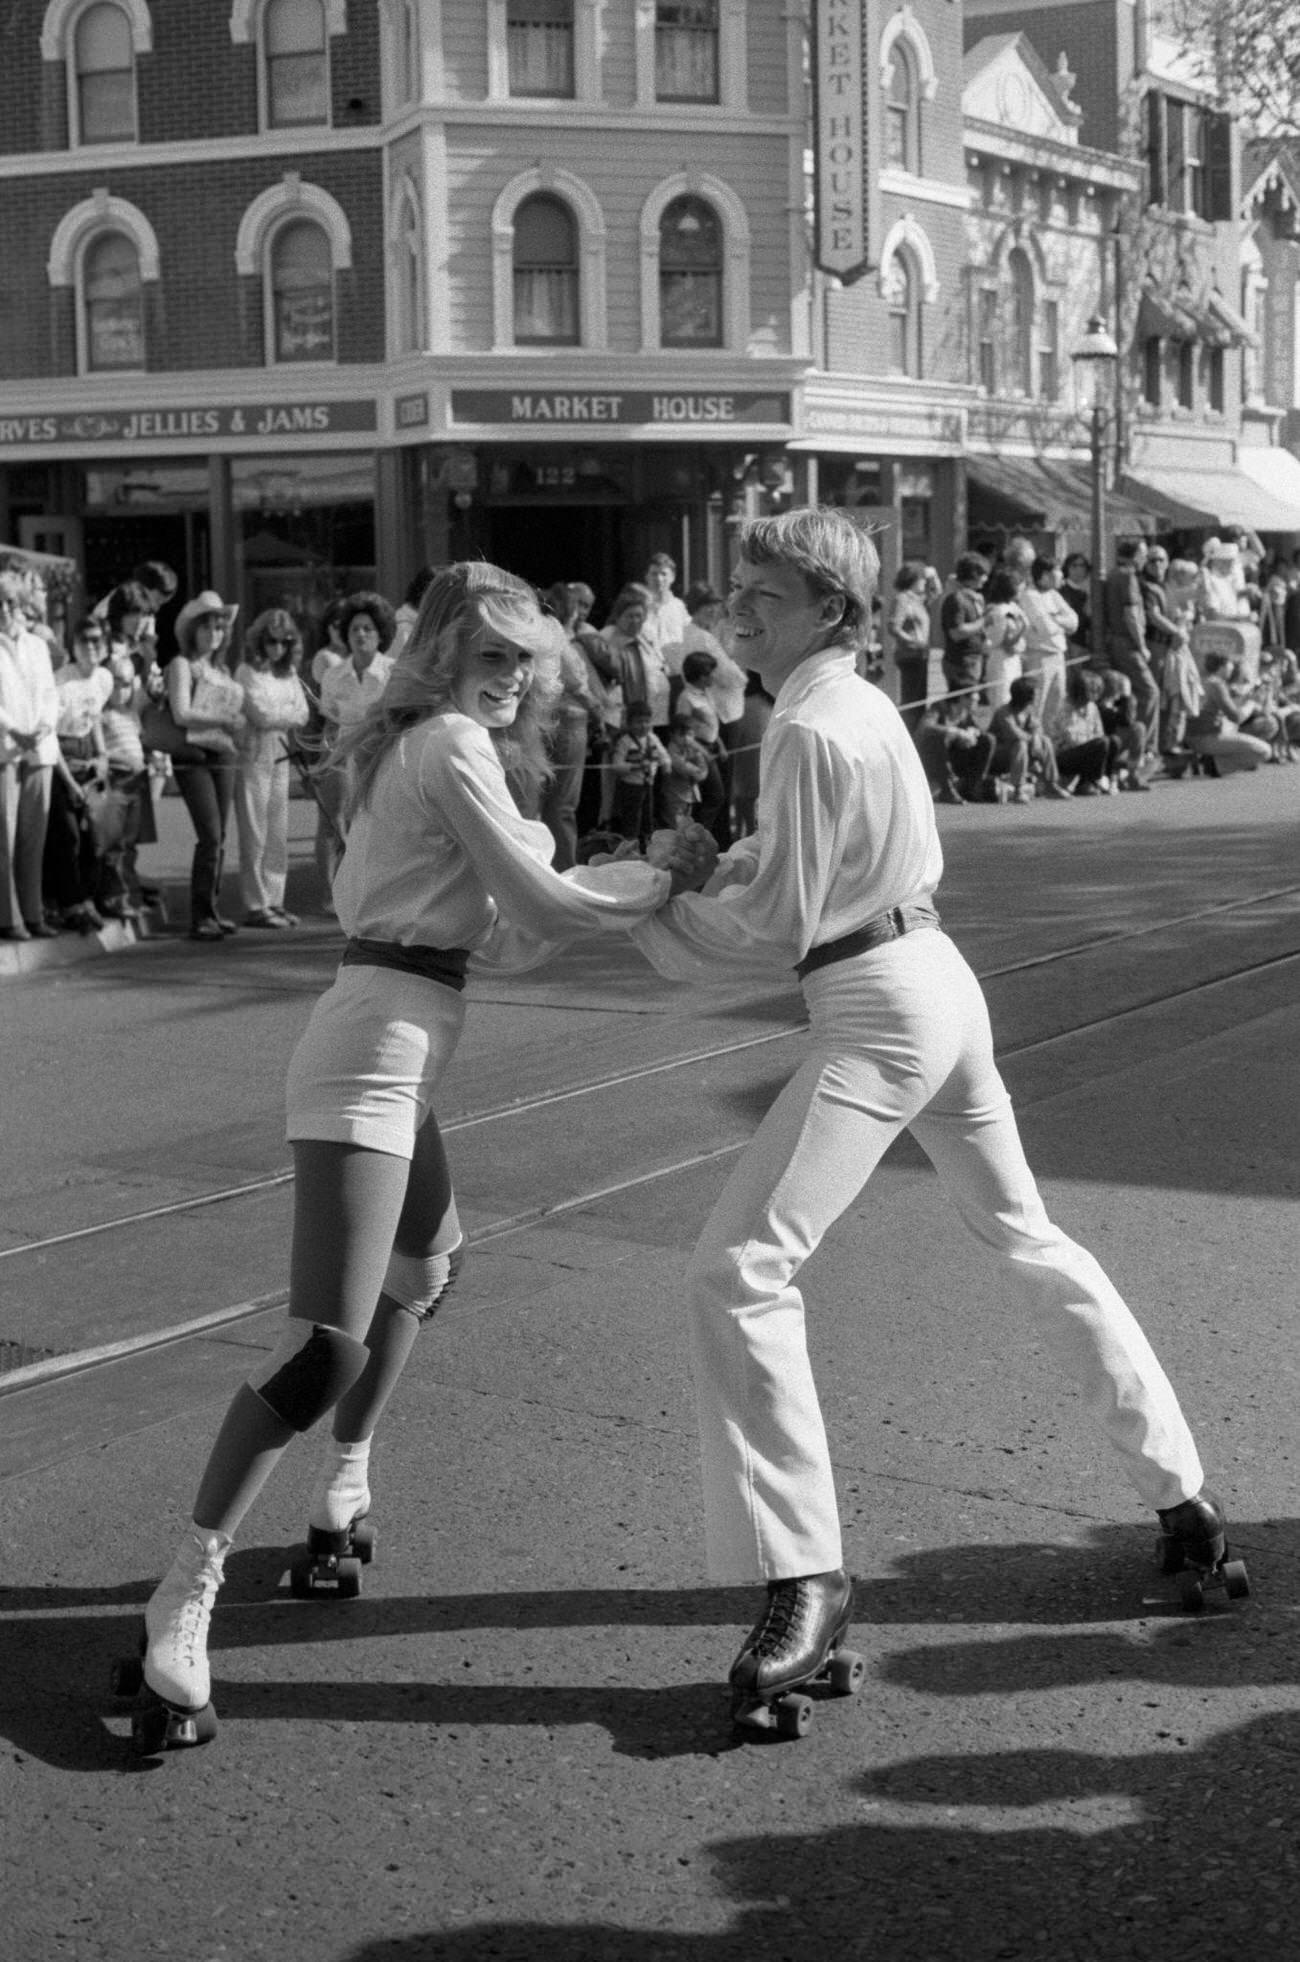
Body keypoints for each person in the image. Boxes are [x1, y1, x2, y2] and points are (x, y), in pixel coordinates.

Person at [627, 506, 1234, 1730]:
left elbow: (775, 922)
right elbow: (814, 875)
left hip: (876, 1007)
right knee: (1025, 1236)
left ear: (832, 613)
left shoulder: (801, 724)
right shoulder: (855, 707)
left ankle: (807, 1578)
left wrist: (654, 905)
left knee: (737, 1269)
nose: (738, 607)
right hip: (937, 982)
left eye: (766, 593)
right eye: (737, 586)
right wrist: (719, 872)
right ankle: (1182, 1500)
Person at [127, 561, 712, 1753]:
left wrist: (612, 867)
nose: (509, 680)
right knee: (321, 1349)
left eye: (523, 661)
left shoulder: (427, 748)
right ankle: (182, 1592)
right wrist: (659, 873)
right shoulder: (446, 743)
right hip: (366, 1057)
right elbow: (541, 915)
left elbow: (497, 941)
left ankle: (344, 1487)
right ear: (443, 653)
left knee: (427, 1273)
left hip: (403, 1036)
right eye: (489, 655)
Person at [166, 591, 247, 940]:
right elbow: (181, 713)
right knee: (210, 834)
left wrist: (235, 723)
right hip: (193, 756)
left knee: (220, 836)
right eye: (207, 627)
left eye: (219, 627)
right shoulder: (182, 665)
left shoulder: (223, 669)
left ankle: (211, 910)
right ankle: (200, 915)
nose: (213, 633)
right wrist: (223, 718)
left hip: (223, 753)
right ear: (193, 630)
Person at [316, 593, 399, 893]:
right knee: (336, 824)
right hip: (344, 758)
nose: (360, 635)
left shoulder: (394, 672)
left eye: (367, 628)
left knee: (382, 825)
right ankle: (336, 892)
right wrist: (325, 763)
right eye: (354, 629)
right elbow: (329, 723)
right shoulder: (333, 675)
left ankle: (381, 890)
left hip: (384, 758)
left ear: (381, 634)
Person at [234, 609, 311, 927]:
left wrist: (281, 714)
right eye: (271, 641)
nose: (277, 647)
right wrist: (285, 712)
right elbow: (260, 715)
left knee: (278, 831)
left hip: (281, 752)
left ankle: (275, 899)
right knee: (255, 831)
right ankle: (256, 902)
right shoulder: (247, 671)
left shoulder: (288, 673)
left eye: (285, 641)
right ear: (259, 641)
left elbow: (303, 713)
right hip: (254, 753)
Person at [536, 582, 593, 870]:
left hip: (539, 717)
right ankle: (564, 870)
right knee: (562, 806)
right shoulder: (552, 628)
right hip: (565, 718)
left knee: (539, 803)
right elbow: (573, 678)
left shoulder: (531, 626)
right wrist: (595, 704)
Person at [1101, 538, 1159, 760]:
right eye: (1143, 555)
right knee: (1149, 692)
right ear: (1135, 555)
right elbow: (1131, 613)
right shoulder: (1127, 576)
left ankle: (1132, 745)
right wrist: (1141, 645)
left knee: (1129, 695)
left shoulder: (1115, 574)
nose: (1145, 560)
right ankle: (1142, 747)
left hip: (1117, 641)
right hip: (1126, 642)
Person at [599, 583, 672, 736]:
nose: (635, 621)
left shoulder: (644, 635)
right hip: (620, 712)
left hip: (651, 711)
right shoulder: (607, 636)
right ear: (618, 616)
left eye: (639, 616)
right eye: (629, 616)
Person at [988, 675, 1071, 802]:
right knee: (1020, 744)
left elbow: (1037, 728)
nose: (1038, 696)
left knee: (1045, 741)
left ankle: (1050, 784)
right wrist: (1033, 739)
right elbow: (1014, 735)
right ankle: (1018, 789)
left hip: (1021, 756)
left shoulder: (1028, 711)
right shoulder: (1003, 712)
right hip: (999, 757)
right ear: (1025, 696)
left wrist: (1037, 737)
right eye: (1035, 693)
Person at [1018, 556, 1077, 733]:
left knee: (1056, 704)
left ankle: (1049, 746)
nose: (1061, 575)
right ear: (1044, 575)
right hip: (1039, 657)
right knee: (1037, 706)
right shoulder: (1030, 596)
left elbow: (1074, 622)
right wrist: (1059, 623)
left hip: (1058, 656)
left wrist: (1054, 618)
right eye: (1057, 571)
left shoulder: (1054, 595)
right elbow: (1045, 628)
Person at [609, 699, 670, 844]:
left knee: (647, 815)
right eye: (638, 722)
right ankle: (630, 843)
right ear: (629, 724)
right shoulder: (625, 741)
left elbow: (664, 755)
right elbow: (616, 765)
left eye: (647, 722)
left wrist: (667, 764)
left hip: (648, 784)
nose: (643, 726)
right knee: (632, 817)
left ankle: (647, 842)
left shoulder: (653, 738)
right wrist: (634, 767)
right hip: (631, 786)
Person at [887, 560, 933, 734]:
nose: (924, 582)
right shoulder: (903, 599)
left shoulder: (917, 600)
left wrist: (932, 575)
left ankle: (915, 735)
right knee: (912, 701)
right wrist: (912, 641)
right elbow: (893, 626)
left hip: (921, 655)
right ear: (913, 579)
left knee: (920, 699)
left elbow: (936, 591)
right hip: (910, 655)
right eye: (921, 578)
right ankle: (909, 735)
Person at [939, 553, 989, 703]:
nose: (985, 579)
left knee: (971, 702)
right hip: (961, 661)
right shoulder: (956, 599)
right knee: (963, 702)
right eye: (982, 575)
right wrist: (984, 621)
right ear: (973, 575)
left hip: (974, 659)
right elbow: (956, 632)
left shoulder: (973, 597)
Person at [981, 567, 1028, 710]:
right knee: (1002, 699)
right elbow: (1004, 642)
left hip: (1014, 660)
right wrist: (1022, 629)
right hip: (1001, 660)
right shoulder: (998, 610)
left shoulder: (1013, 606)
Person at [640, 551, 692, 669]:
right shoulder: (639, 607)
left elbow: (689, 639)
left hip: (676, 672)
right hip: (648, 671)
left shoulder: (679, 607)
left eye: (664, 574)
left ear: (672, 577)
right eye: (654, 574)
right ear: (646, 576)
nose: (659, 579)